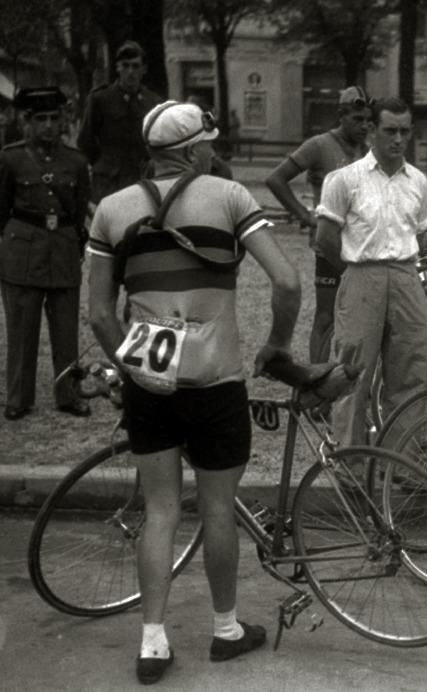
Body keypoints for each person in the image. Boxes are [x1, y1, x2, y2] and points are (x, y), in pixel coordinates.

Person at [87, 101, 301, 684]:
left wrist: (128, 370)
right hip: (216, 380)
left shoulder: (111, 209)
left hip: (149, 386)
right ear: (188, 151)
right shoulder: (229, 198)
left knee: (159, 511)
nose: (214, 151)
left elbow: (101, 316)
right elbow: (286, 280)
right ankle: (226, 630)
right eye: (208, 143)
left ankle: (152, 642)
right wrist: (278, 345)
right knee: (216, 509)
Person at [314, 97, 427, 448]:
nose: (398, 139)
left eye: (405, 131)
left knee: (410, 372)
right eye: (390, 130)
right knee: (353, 372)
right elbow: (325, 239)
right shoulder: (344, 180)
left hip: (407, 277)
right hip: (362, 275)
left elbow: (423, 234)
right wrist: (356, 272)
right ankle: (349, 460)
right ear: (371, 132)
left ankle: (401, 464)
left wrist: (409, 271)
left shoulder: (418, 181)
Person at [0, 87, 92, 421]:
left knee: (66, 330)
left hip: (63, 251)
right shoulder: (10, 159)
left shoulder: (77, 162)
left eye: (55, 118)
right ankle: (19, 398)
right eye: (41, 119)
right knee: (22, 329)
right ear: (28, 122)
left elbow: (79, 210)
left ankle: (67, 394)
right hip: (22, 253)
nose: (49, 126)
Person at [266, 86, 372, 364]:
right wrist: (305, 215)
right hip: (330, 245)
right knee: (326, 317)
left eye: (367, 121)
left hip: (361, 244)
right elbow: (276, 179)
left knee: (361, 315)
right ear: (341, 115)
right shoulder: (319, 145)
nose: (364, 126)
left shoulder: (368, 151)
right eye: (356, 119)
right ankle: (317, 380)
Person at [77, 40, 162, 202]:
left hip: (142, 180)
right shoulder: (101, 99)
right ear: (117, 68)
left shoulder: (153, 102)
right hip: (109, 181)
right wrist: (105, 163)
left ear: (144, 70)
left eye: (135, 66)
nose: (130, 72)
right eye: (125, 66)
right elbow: (85, 141)